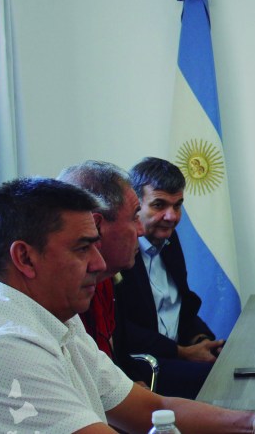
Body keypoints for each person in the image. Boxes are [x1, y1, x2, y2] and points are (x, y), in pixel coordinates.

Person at [0, 177, 255, 433]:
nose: (98, 264)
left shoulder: (55, 316)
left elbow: (153, 410)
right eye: (82, 248)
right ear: (24, 258)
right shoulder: (2, 347)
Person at [116, 157, 222, 397]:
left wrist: (201, 339)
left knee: (231, 359)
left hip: (177, 352)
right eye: (159, 205)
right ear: (135, 206)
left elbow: (179, 303)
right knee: (219, 380)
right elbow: (123, 330)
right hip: (145, 364)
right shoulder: (119, 252)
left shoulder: (169, 239)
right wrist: (182, 352)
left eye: (177, 205)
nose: (172, 216)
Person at [58, 161, 147, 377]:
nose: (142, 230)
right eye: (135, 216)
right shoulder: (62, 292)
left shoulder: (105, 281)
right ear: (97, 225)